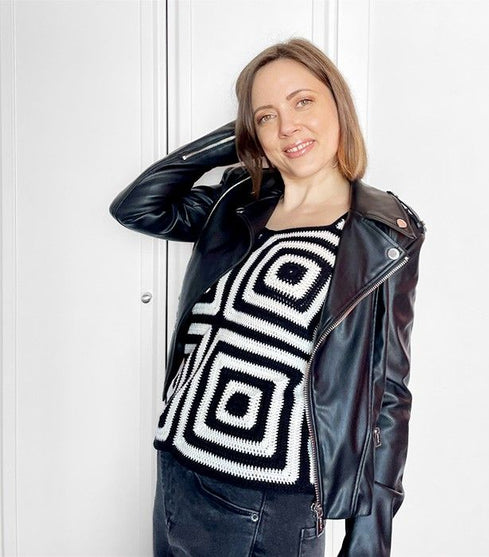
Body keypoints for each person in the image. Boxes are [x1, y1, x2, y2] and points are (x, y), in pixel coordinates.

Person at [110, 38, 425, 557]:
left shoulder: (380, 234)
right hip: (177, 469)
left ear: (338, 104)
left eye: (303, 102)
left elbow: (389, 392)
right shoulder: (239, 201)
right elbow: (138, 207)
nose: (287, 127)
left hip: (268, 500)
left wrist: (369, 539)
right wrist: (235, 138)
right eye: (266, 116)